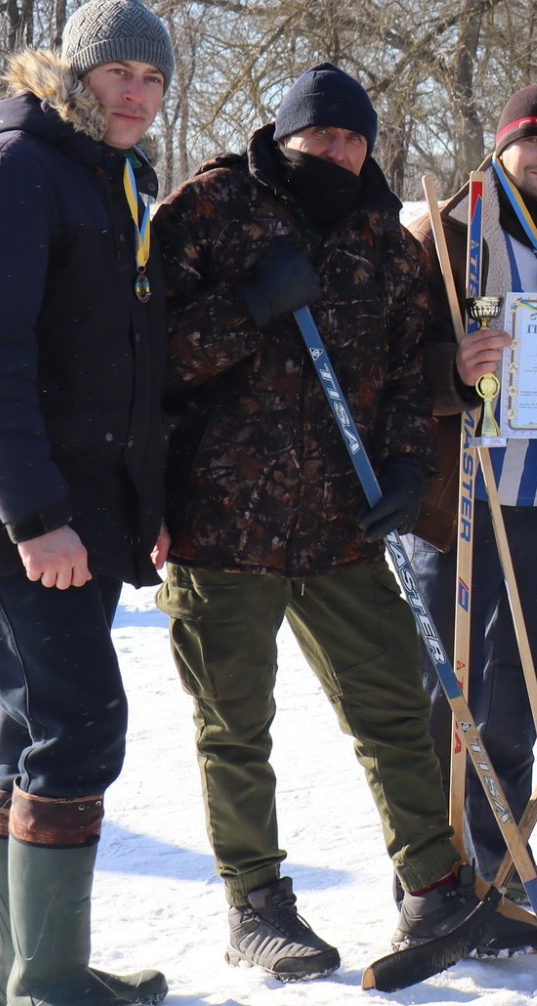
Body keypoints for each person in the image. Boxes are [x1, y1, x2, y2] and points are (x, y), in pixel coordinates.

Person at [154, 63, 474, 981]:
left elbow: (414, 368)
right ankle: (255, 900)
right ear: (284, 135)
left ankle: (432, 883)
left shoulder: (384, 236)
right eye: (320, 137)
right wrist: (250, 305)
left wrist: (409, 465)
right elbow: (149, 359)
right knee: (234, 725)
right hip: (222, 525)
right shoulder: (212, 208)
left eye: (351, 138)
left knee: (393, 712)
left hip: (343, 524)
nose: (337, 151)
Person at [0, 0, 173, 1005]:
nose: (137, 92)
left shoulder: (107, 180)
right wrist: (37, 516)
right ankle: (48, 982)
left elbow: (117, 363)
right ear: (76, 72)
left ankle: (29, 970)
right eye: (120, 70)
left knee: (33, 729)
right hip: (25, 515)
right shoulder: (16, 170)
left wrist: (138, 511)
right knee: (78, 725)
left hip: (80, 511)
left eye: (154, 76)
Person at [403, 84, 537, 953]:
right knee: (448, 691)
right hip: (456, 497)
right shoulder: (446, 233)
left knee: (517, 697)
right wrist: (451, 365)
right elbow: (391, 360)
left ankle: (500, 864)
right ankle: (433, 874)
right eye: (533, 145)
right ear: (503, 149)